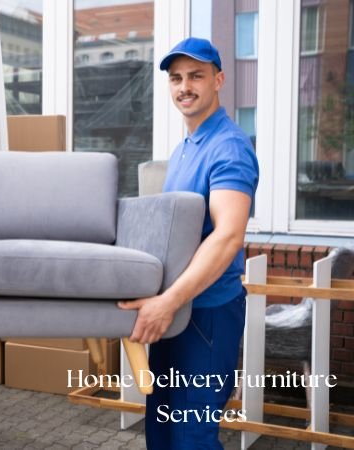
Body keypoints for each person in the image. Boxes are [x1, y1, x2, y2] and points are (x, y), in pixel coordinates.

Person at [118, 38, 259, 449]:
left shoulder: (228, 147)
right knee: (162, 431)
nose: (185, 86)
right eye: (176, 78)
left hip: (206, 317)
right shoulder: (184, 149)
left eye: (196, 75)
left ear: (219, 79)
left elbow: (228, 234)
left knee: (191, 437)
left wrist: (169, 300)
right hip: (176, 313)